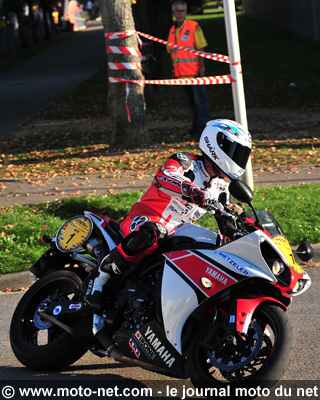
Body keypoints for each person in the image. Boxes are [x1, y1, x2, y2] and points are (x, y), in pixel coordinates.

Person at [84, 119, 252, 313]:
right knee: (156, 232)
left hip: (177, 230)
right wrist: (192, 190)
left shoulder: (221, 186)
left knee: (214, 243)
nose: (238, 159)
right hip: (145, 218)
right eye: (235, 152)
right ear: (216, 144)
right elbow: (166, 176)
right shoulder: (186, 162)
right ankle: (100, 276)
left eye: (242, 154)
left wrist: (242, 225)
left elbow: (226, 213)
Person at [168, 0, 210, 135]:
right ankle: (196, 127)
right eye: (177, 11)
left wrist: (201, 68)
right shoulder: (172, 30)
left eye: (182, 11)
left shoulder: (193, 26)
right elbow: (173, 53)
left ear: (186, 12)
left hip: (194, 72)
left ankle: (202, 128)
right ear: (173, 12)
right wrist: (173, 70)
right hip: (180, 74)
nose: (180, 13)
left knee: (201, 103)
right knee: (191, 104)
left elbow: (200, 48)